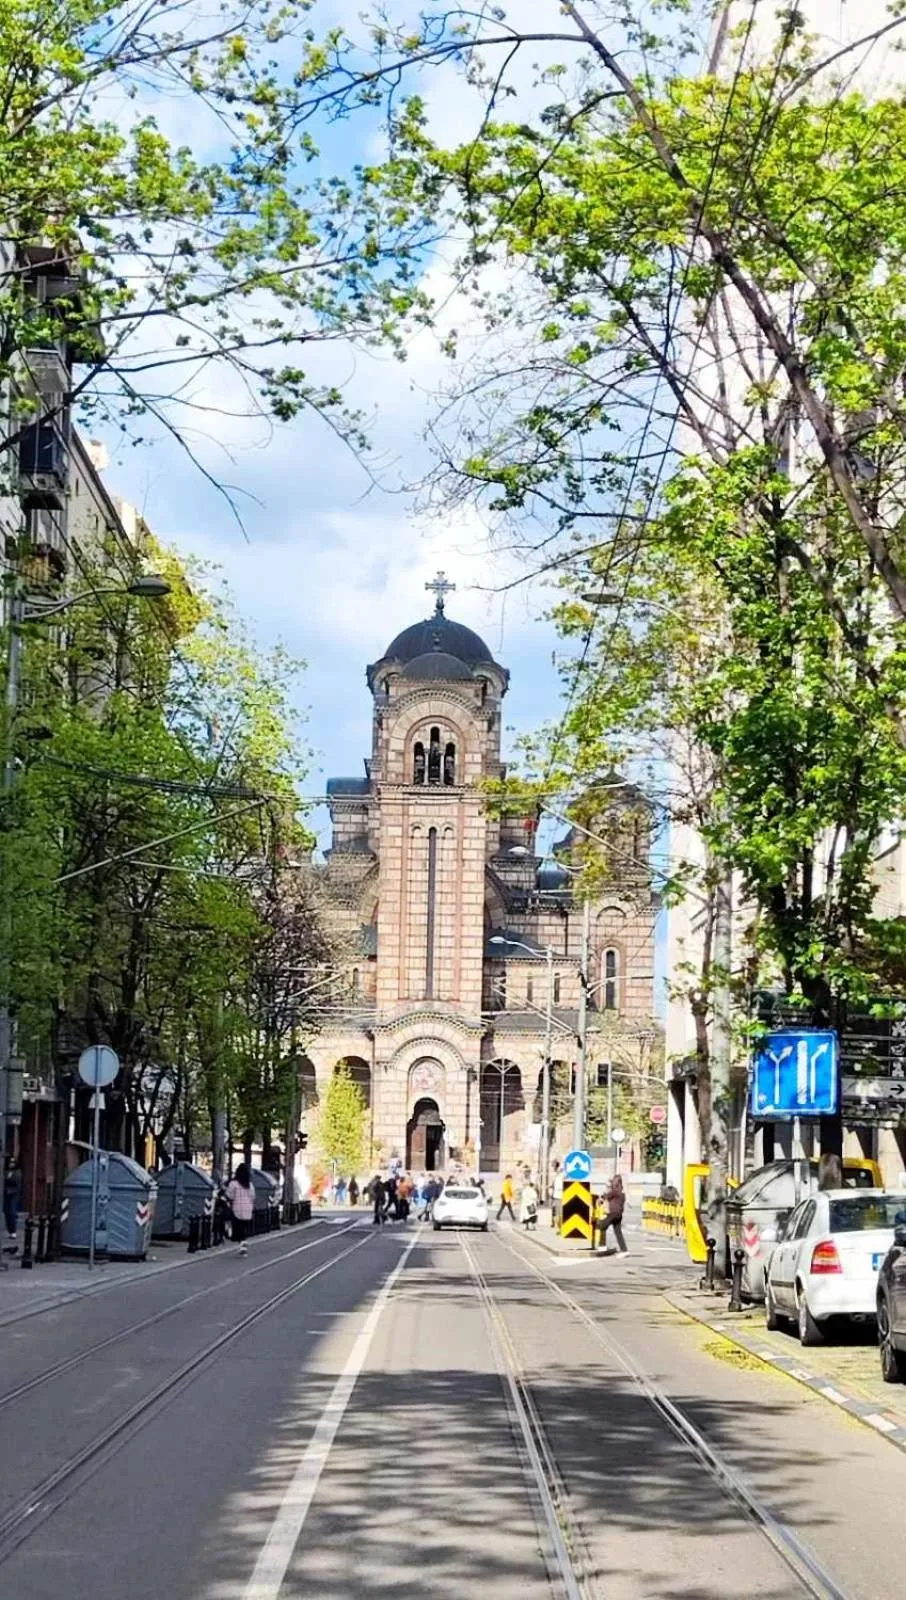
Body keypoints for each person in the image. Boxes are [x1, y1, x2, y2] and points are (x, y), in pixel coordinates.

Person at [596, 1174, 628, 1256]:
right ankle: (624, 1250)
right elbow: (609, 1196)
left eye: (613, 1181)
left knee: (602, 1225)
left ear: (616, 1182)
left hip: (614, 1213)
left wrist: (600, 1199)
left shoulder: (616, 1191)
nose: (612, 1182)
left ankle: (602, 1246)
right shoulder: (620, 1191)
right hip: (618, 1215)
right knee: (618, 1232)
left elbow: (607, 1195)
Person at [227, 1163, 254, 1255]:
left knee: (238, 1228)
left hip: (237, 1209)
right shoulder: (250, 1185)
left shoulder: (233, 1184)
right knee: (243, 1228)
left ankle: (242, 1243)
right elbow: (252, 1196)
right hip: (248, 1209)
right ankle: (243, 1243)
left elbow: (230, 1195)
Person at [3, 1158, 22, 1244]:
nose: (11, 1164)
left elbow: (17, 1183)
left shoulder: (17, 1172)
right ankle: (10, 1231)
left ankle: (13, 1231)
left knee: (12, 1212)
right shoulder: (6, 1172)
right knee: (7, 1213)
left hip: (14, 1193)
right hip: (6, 1193)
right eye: (10, 1162)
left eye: (13, 1162)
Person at [551, 1160, 564, 1230]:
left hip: (560, 1196)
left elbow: (559, 1186)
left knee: (559, 1213)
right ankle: (557, 1226)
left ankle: (559, 1227)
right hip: (556, 1196)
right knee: (557, 1212)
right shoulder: (556, 1176)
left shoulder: (561, 1176)